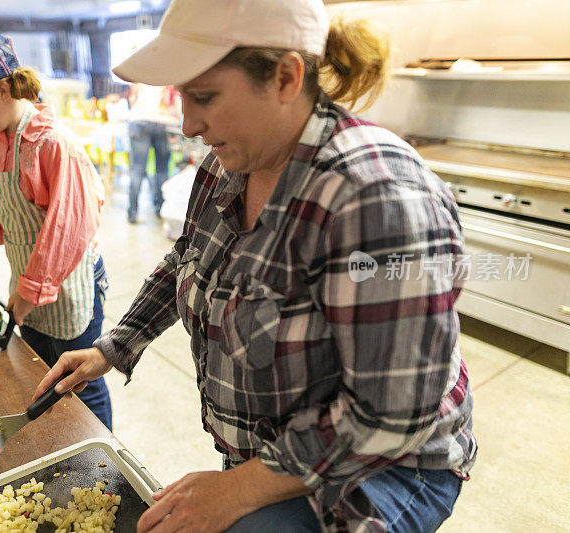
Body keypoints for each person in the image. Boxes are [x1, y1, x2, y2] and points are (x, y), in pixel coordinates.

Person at [35, 0, 477, 531]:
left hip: (384, 468)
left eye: (204, 97)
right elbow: (187, 259)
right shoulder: (229, 165)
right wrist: (115, 346)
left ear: (286, 77)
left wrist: (239, 489)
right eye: (181, 96)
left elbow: (392, 413)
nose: (189, 123)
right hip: (280, 450)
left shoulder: (376, 199)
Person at [0, 31, 113, 430]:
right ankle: (61, 440)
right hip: (29, 280)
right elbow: (4, 209)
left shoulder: (52, 144)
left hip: (67, 285)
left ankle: (102, 461)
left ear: (3, 89)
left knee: (80, 382)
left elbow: (68, 229)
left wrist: (30, 291)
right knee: (45, 373)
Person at [126, 83, 181, 223]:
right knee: (162, 169)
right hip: (164, 123)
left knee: (137, 169)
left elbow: (132, 101)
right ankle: (160, 209)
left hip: (139, 121)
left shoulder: (140, 76)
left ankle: (132, 213)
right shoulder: (169, 77)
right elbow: (177, 108)